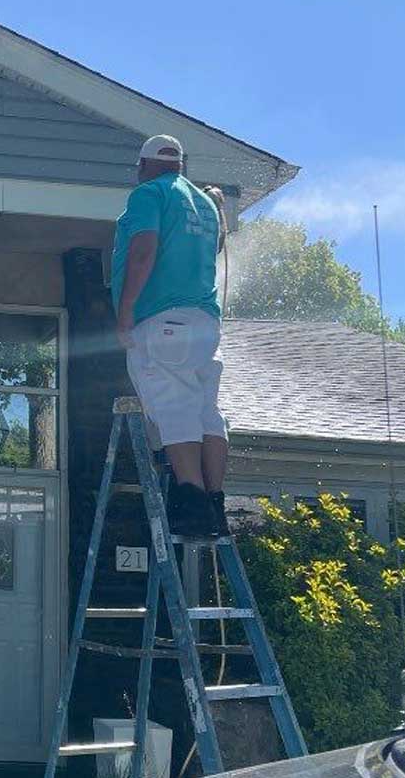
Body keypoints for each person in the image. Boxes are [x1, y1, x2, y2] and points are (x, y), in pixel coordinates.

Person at [112, 135, 229, 536]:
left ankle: (191, 503)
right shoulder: (207, 204)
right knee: (205, 411)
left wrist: (125, 310)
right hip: (204, 323)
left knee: (173, 406)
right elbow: (206, 254)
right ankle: (215, 503)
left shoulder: (148, 195)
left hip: (162, 321)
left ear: (143, 166)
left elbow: (144, 251)